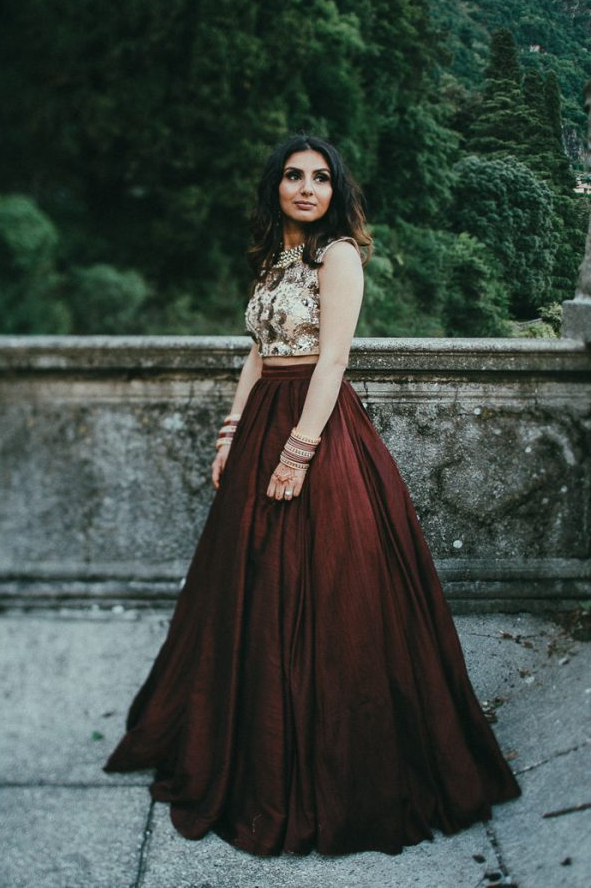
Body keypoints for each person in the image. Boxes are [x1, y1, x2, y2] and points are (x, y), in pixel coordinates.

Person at [103, 134, 521, 857]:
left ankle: (331, 762)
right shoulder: (274, 262)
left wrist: (300, 450)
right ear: (276, 188)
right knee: (253, 584)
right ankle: (257, 741)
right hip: (266, 416)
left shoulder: (339, 257)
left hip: (317, 428)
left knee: (329, 587)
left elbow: (332, 358)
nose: (305, 188)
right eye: (293, 176)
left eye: (320, 178)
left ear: (336, 191)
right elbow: (259, 354)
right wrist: (232, 432)